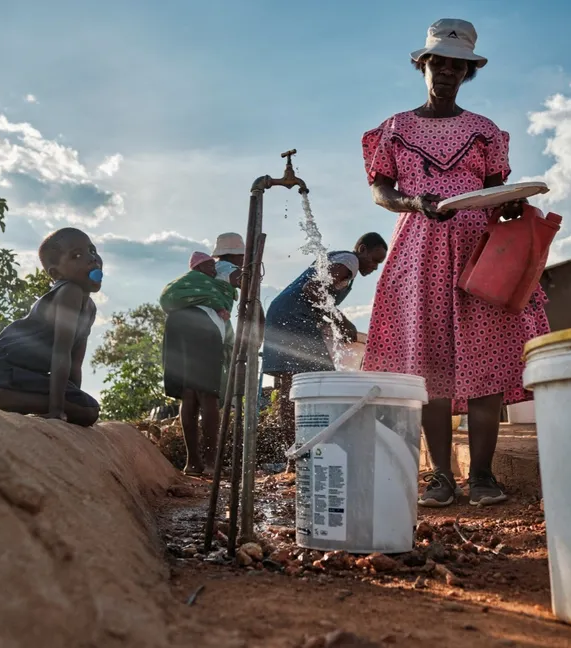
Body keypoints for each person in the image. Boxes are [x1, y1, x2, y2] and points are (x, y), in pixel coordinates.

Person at [361, 19, 551, 507]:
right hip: (419, 251)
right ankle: (442, 476)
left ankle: (483, 475)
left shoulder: (484, 131)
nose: (446, 71)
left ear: (468, 72)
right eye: (437, 62)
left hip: (478, 253)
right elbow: (381, 190)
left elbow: (497, 191)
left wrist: (508, 205)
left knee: (485, 361)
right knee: (431, 366)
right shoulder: (396, 129)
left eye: (456, 65)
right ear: (422, 65)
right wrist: (411, 202)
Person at [0, 227, 102, 427]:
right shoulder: (69, 292)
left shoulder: (90, 309)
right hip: (1, 370)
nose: (92, 258)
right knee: (88, 410)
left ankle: (2, 397)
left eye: (92, 250)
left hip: (20, 375)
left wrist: (72, 398)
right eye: (76, 255)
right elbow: (61, 353)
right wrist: (58, 409)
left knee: (87, 411)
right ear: (56, 273)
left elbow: (75, 364)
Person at [262, 233, 388, 436]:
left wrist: (328, 325)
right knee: (317, 381)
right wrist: (341, 320)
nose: (374, 267)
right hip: (293, 319)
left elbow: (315, 299)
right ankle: (308, 444)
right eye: (374, 260)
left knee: (295, 386)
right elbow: (312, 289)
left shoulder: (343, 262)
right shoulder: (349, 261)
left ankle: (295, 450)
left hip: (283, 315)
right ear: (362, 249)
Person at [160, 251, 236, 476]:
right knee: (208, 394)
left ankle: (192, 463)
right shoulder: (226, 270)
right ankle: (211, 463)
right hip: (203, 326)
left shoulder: (184, 287)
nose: (214, 270)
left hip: (175, 325)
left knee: (189, 392)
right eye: (209, 267)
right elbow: (237, 283)